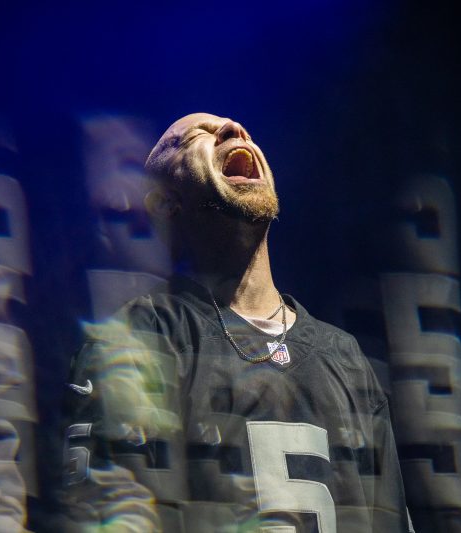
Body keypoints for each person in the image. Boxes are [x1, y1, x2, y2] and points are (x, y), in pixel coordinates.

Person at [62, 113, 414, 532]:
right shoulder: (141, 338)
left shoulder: (345, 358)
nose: (234, 129)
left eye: (240, 129)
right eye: (198, 135)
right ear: (165, 203)